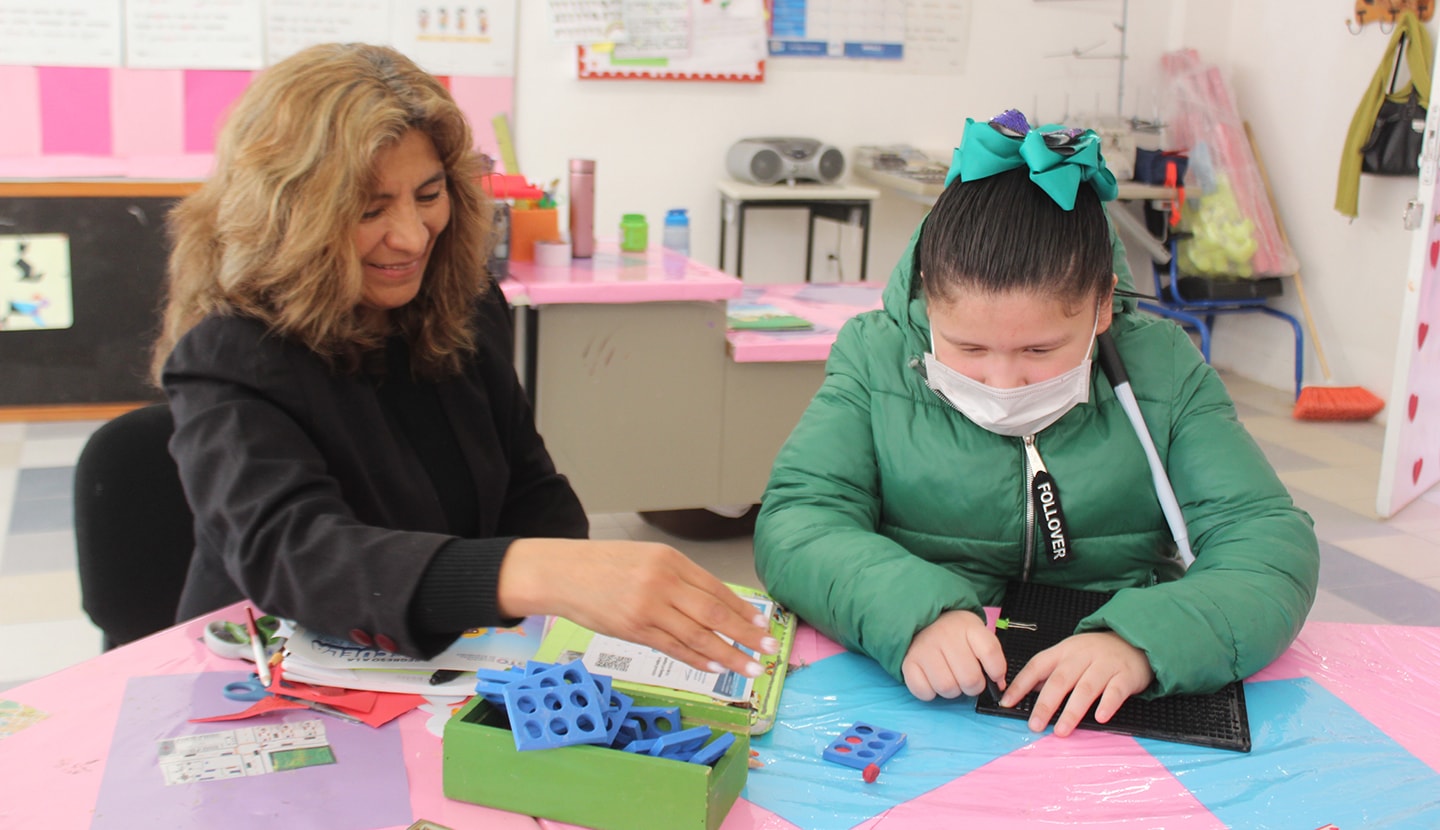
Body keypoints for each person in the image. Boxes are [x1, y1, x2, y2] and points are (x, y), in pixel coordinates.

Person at [152, 43, 774, 678]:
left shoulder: (463, 307)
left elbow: (529, 488)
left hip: (443, 666)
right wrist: (533, 573)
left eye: (429, 194)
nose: (413, 235)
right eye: (369, 210)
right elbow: (298, 555)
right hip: (267, 671)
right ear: (286, 213)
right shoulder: (227, 353)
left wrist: (583, 607)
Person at [753, 110, 1318, 737]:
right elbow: (799, 520)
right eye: (966, 349)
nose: (1001, 383)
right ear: (925, 299)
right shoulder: (875, 352)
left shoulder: (1161, 367)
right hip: (921, 689)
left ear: (1103, 305)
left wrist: (1144, 641)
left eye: (1039, 352)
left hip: (1109, 701)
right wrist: (910, 611)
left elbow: (1267, 544)